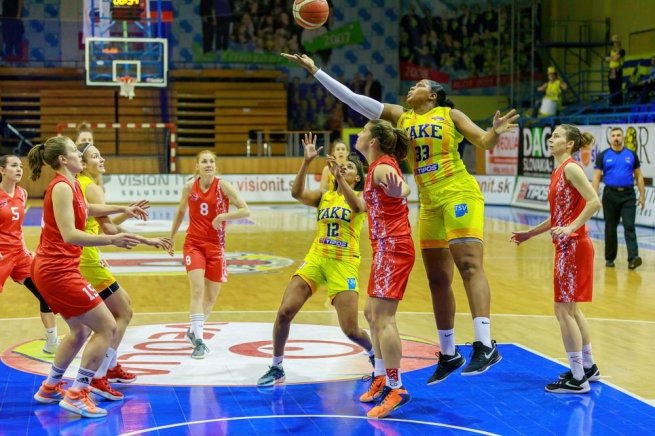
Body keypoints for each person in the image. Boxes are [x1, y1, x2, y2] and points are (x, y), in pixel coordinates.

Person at [281, 53, 518, 385]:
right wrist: (317, 72)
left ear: (433, 94)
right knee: (437, 278)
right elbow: (354, 100)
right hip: (430, 202)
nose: (412, 87)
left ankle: (484, 343)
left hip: (458, 191)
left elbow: (483, 140)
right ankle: (449, 352)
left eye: (419, 85)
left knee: (468, 264)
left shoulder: (450, 114)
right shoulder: (401, 116)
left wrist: (495, 132)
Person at [29, 136, 147, 418]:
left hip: (58, 268)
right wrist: (113, 240)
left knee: (80, 331)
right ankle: (78, 392)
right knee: (107, 326)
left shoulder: (71, 185)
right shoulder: (60, 187)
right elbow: (70, 234)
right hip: (57, 270)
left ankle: (50, 386)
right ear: (62, 159)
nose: (79, 155)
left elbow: (88, 210)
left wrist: (123, 209)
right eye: (74, 150)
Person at [257, 133, 373, 387]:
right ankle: (277, 367)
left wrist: (341, 180)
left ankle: (373, 352)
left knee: (350, 329)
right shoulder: (324, 196)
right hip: (317, 258)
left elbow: (356, 207)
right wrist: (307, 162)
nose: (344, 168)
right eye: (342, 166)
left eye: (350, 167)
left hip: (344, 263)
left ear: (358, 177)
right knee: (285, 312)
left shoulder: (363, 197)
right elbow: (296, 192)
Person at [75, 135, 172, 401]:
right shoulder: (92, 187)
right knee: (122, 311)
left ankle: (110, 364)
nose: (101, 159)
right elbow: (108, 229)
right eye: (95, 155)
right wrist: (146, 239)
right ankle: (99, 374)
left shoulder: (78, 184)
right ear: (82, 163)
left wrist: (133, 224)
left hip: (84, 256)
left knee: (121, 308)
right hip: (87, 259)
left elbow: (102, 223)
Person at [511, 124, 601, 393]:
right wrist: (530, 233)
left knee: (563, 311)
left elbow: (594, 201)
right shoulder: (559, 171)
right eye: (551, 135)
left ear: (570, 144)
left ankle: (578, 378)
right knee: (572, 310)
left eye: (557, 136)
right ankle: (588, 367)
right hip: (570, 246)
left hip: (573, 247)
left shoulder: (571, 168)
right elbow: (559, 216)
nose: (551, 139)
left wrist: (572, 228)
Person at [348, 119, 414, 419]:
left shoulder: (384, 166)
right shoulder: (374, 170)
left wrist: (402, 191)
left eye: (363, 131)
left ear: (372, 141)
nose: (358, 134)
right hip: (384, 249)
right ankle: (380, 376)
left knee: (384, 318)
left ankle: (396, 387)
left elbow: (403, 187)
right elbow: (362, 205)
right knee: (370, 314)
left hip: (395, 247)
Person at [169, 150, 250, 359]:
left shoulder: (223, 186)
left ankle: (193, 330)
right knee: (197, 291)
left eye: (211, 161)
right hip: (193, 244)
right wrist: (171, 237)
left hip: (216, 246)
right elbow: (179, 212)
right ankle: (199, 341)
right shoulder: (189, 186)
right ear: (197, 166)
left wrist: (223, 216)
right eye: (204, 161)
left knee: (211, 297)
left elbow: (245, 210)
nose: (208, 164)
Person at [0, 154, 59, 354]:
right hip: (1, 256)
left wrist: (24, 249)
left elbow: (16, 228)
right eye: (13, 165)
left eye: (20, 166)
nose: (19, 169)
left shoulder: (22, 193)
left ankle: (52, 341)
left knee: (47, 292)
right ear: (2, 170)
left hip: (19, 255)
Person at [592, 127, 645, 269]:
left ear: (623, 138)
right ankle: (610, 259)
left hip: (628, 196)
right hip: (610, 195)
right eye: (613, 135)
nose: (616, 138)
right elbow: (596, 177)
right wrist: (594, 196)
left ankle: (633, 258)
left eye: (618, 135)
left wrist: (643, 196)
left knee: (629, 226)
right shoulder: (603, 155)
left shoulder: (631, 154)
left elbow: (639, 176)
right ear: (610, 138)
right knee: (610, 227)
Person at [605, 35, 625, 106]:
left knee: (618, 87)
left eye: (616, 42)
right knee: (611, 87)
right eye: (614, 42)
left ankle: (619, 103)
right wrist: (613, 58)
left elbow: (616, 58)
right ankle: (613, 102)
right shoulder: (610, 51)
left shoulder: (622, 51)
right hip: (611, 71)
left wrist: (611, 58)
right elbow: (606, 59)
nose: (615, 44)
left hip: (618, 70)